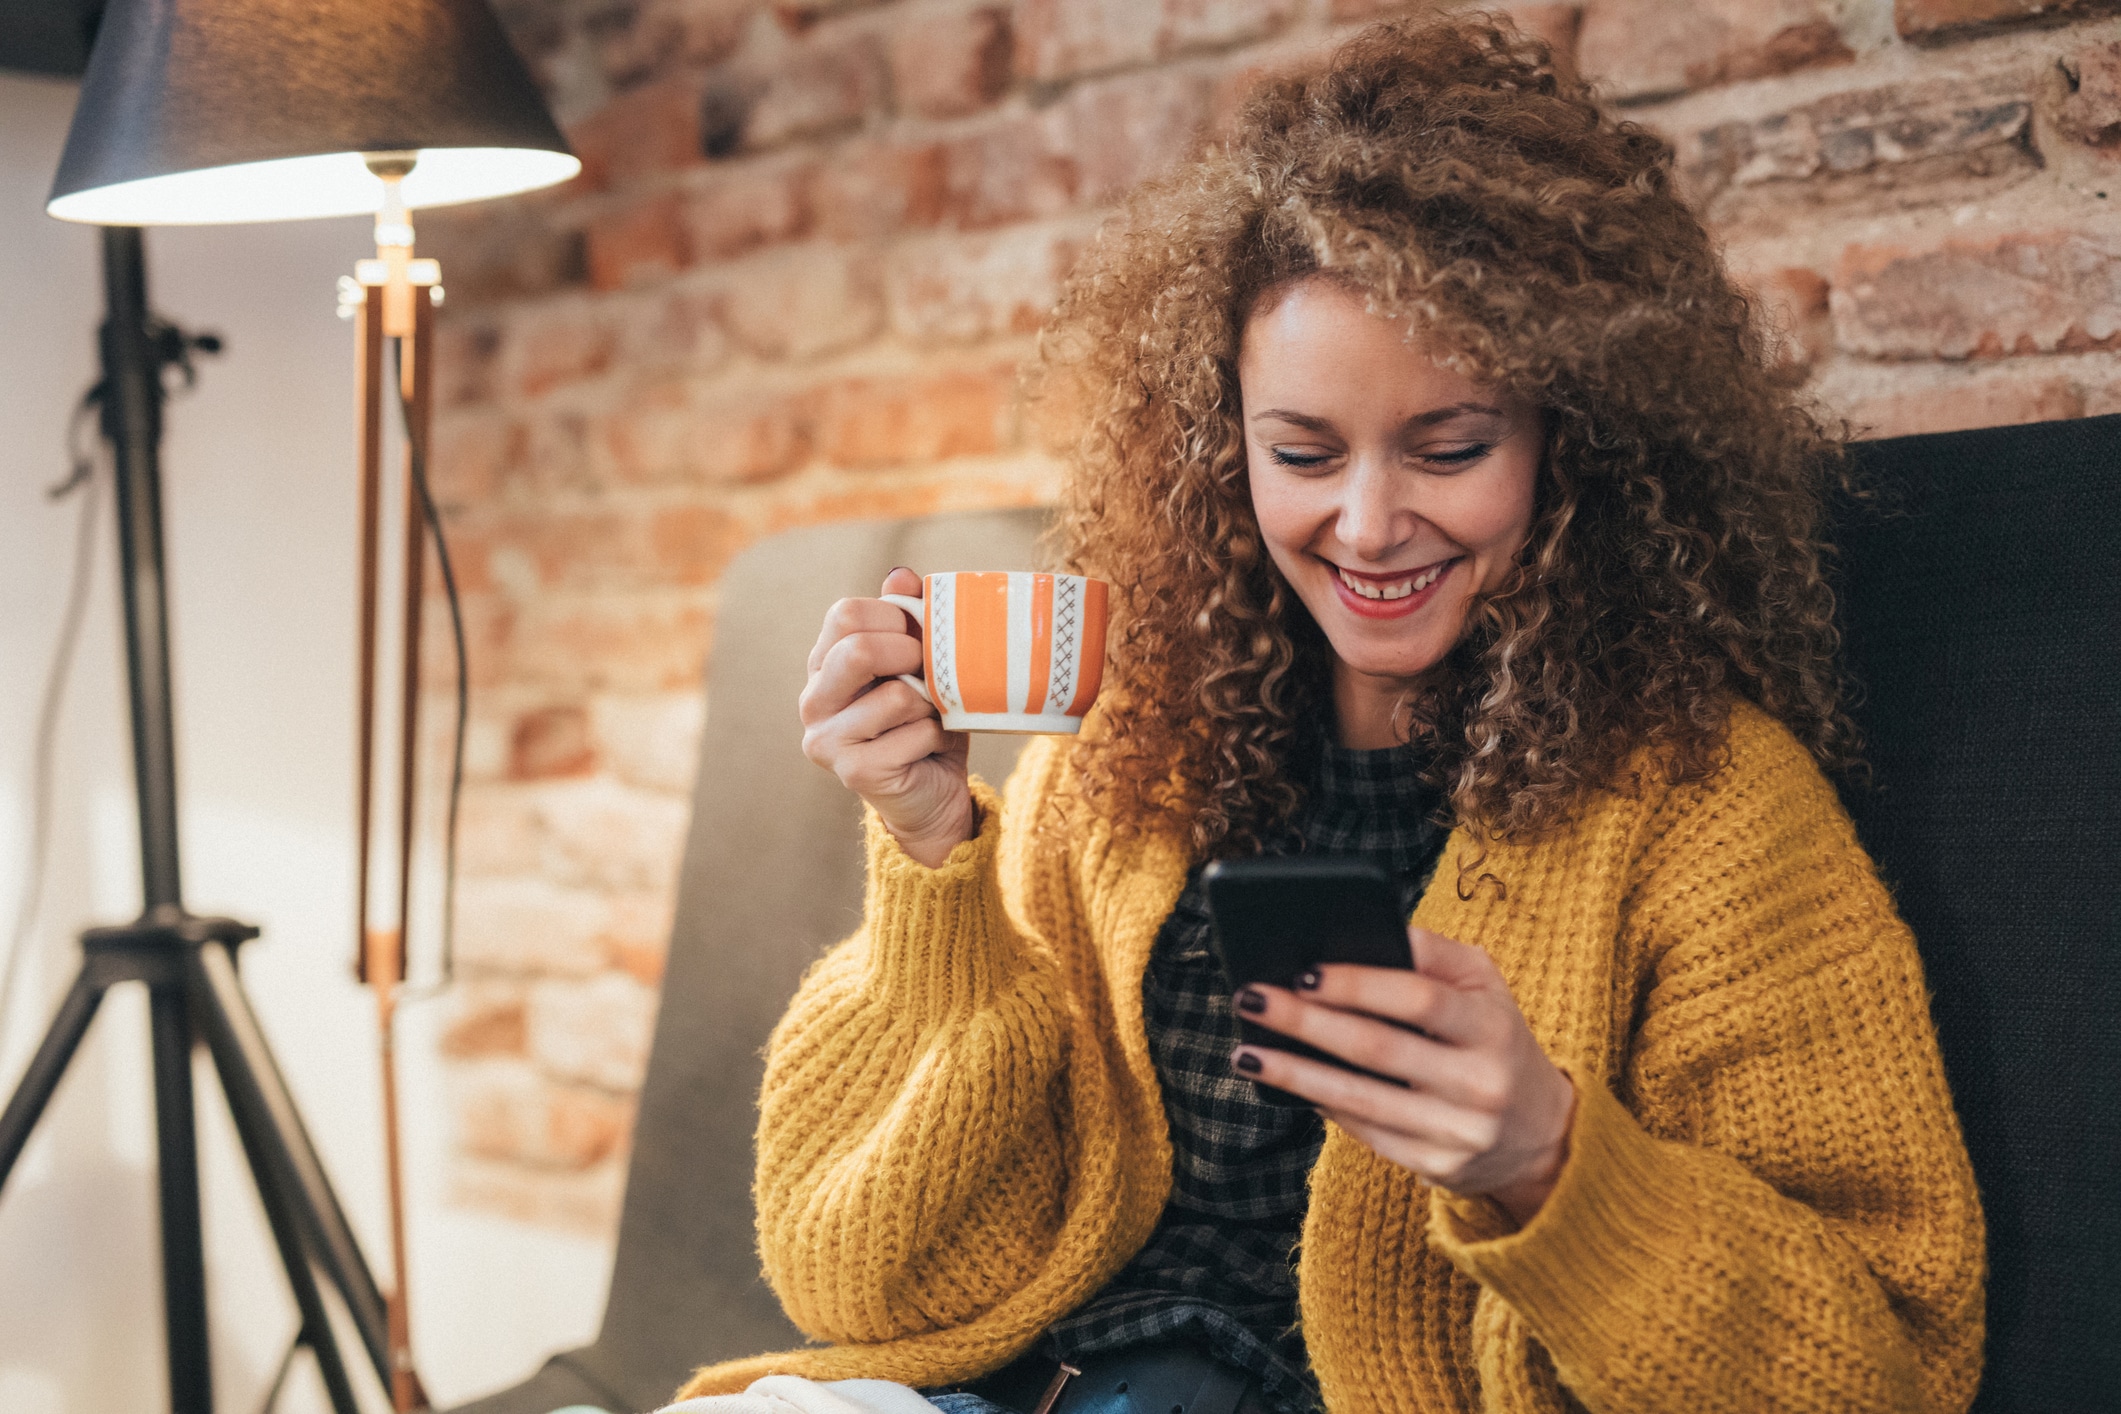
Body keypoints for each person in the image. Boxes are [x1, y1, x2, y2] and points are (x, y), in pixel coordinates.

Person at [663, 13, 1985, 1414]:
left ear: (1573, 437)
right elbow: (862, 1286)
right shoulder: (1120, 756)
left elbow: (1878, 1376)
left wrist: (1549, 1160)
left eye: (1449, 446)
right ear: (1219, 444)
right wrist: (932, 861)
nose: (1364, 525)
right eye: (1300, 450)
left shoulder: (1706, 814)